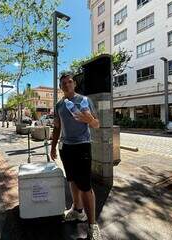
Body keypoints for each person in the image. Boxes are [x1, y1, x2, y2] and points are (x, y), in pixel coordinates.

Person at [50, 72, 102, 240]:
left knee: (85, 186)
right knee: (71, 180)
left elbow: (97, 124)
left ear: (74, 84)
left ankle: (92, 225)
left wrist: (89, 120)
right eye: (63, 83)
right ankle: (77, 210)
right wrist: (53, 148)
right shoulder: (59, 105)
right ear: (60, 87)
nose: (67, 85)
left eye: (69, 82)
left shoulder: (84, 101)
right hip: (66, 148)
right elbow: (57, 128)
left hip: (82, 147)